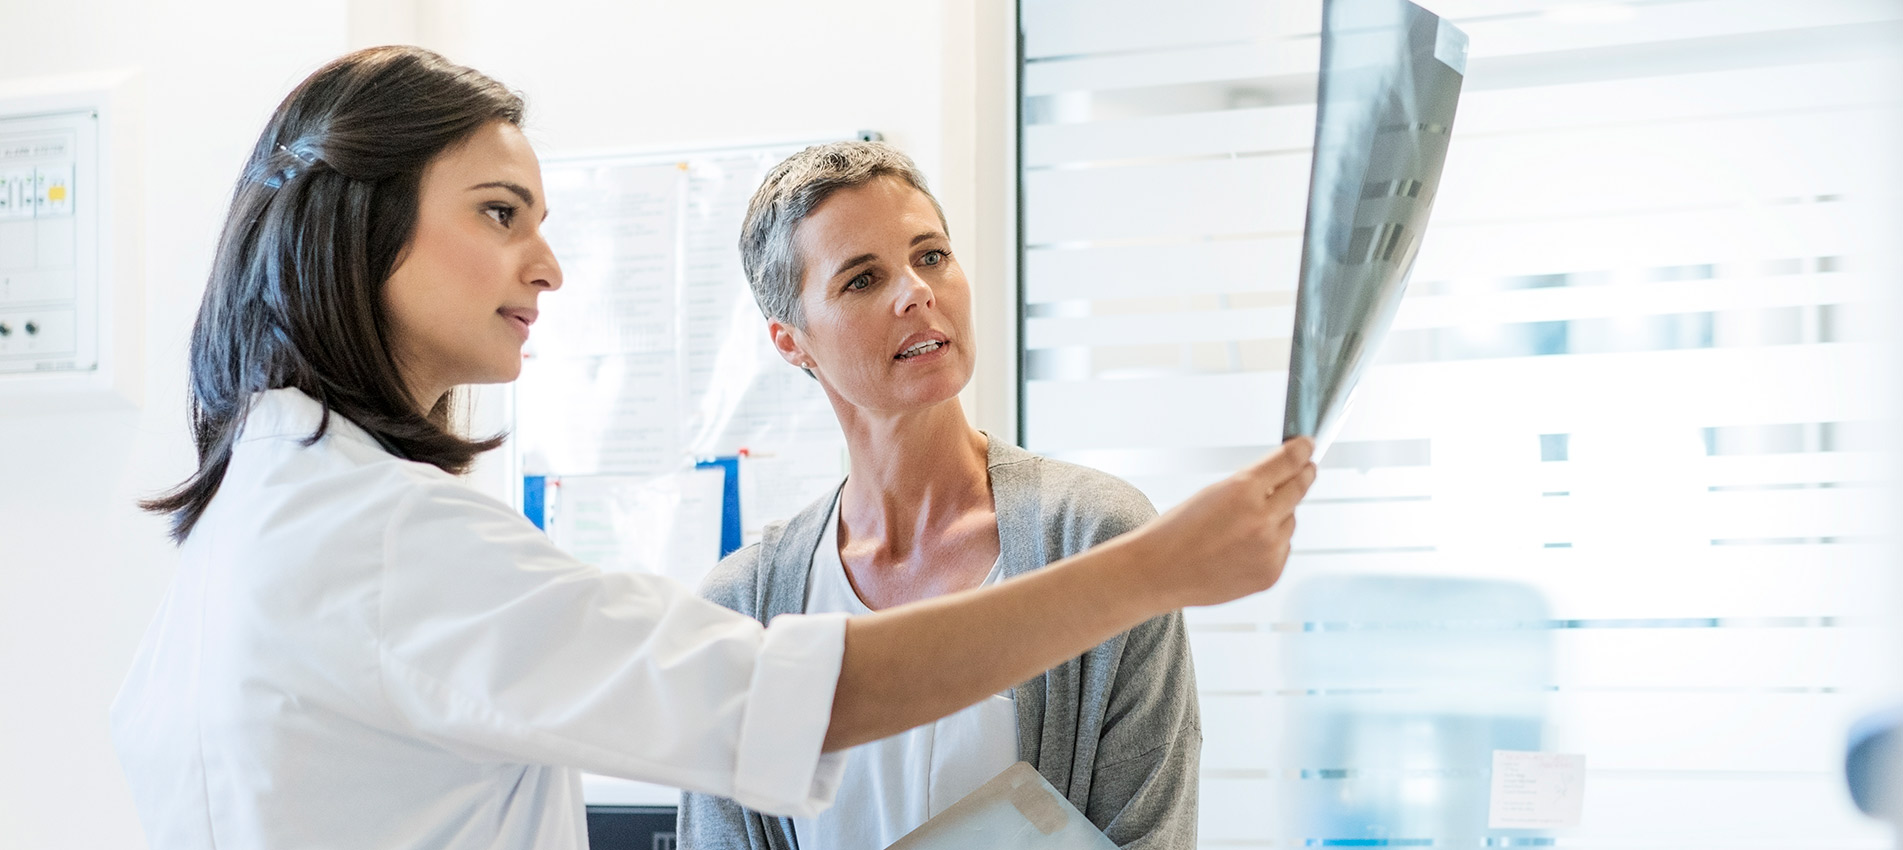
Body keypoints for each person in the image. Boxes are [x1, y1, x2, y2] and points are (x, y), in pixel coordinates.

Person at [110, 46, 1316, 850]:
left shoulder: (256, 516)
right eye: (497, 213)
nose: (547, 264)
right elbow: (785, 701)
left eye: (932, 255)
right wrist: (1159, 572)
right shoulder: (389, 541)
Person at [679, 142, 1200, 850]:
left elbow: (1147, 835)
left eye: (930, 256)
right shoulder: (741, 608)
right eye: (861, 280)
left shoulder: (1098, 542)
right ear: (790, 342)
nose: (916, 292)